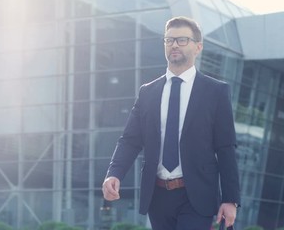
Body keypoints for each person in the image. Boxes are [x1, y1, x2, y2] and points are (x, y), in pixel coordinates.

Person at [102, 16, 240, 230]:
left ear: (198, 47)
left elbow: (225, 147)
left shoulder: (216, 92)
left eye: (182, 39)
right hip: (158, 195)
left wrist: (230, 199)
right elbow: (130, 140)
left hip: (196, 196)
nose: (174, 44)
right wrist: (114, 173)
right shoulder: (148, 92)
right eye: (169, 40)